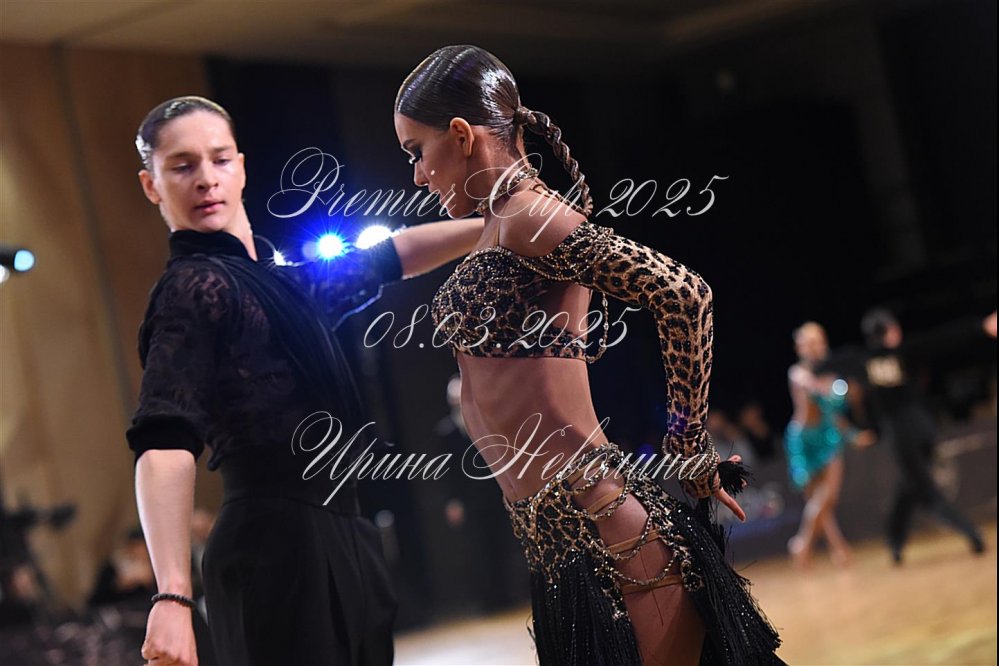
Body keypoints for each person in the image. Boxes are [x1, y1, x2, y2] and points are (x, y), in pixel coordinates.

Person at [395, 45, 784, 665]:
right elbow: (402, 255)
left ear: (462, 135)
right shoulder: (499, 223)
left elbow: (683, 294)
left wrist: (688, 443)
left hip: (605, 532)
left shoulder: (529, 215)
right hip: (560, 547)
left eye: (417, 151)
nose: (417, 175)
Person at [127, 95, 485, 666]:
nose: (206, 179)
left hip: (343, 534)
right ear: (152, 186)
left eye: (219, 159)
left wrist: (494, 227)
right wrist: (172, 595)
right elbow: (164, 441)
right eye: (182, 165)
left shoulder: (281, 280)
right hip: (274, 547)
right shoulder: (192, 289)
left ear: (241, 167)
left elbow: (388, 258)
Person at [854, 308, 993, 563]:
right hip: (923, 429)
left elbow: (830, 363)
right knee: (910, 485)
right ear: (891, 331)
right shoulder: (904, 351)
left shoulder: (861, 360)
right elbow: (942, 338)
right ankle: (895, 542)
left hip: (900, 435)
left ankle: (971, 533)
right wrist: (980, 325)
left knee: (924, 490)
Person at [783, 322, 874, 569]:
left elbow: (835, 414)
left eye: (819, 342)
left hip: (828, 436)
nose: (815, 347)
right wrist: (834, 388)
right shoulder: (797, 372)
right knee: (817, 500)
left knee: (827, 497)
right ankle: (838, 549)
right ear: (800, 347)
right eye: (810, 343)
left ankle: (802, 543)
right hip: (803, 440)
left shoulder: (831, 376)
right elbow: (811, 387)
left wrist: (853, 435)